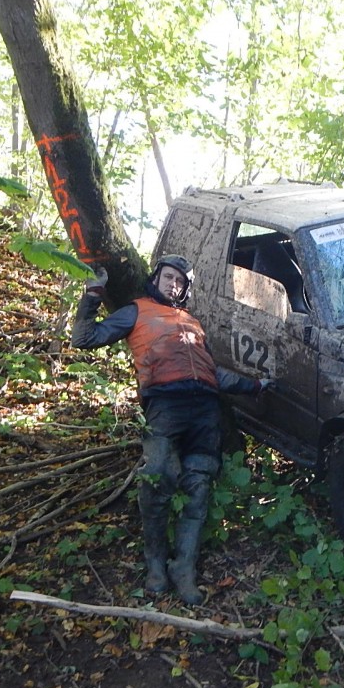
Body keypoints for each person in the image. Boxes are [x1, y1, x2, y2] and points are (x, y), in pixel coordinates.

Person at [71, 255, 271, 605]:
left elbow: (214, 373)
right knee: (157, 479)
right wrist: (92, 297)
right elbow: (85, 338)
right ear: (157, 277)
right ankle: (155, 567)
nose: (173, 284)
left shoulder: (193, 323)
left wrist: (255, 386)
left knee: (198, 486)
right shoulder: (137, 311)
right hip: (165, 405)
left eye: (180, 281)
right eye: (169, 277)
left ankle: (184, 570)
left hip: (204, 411)